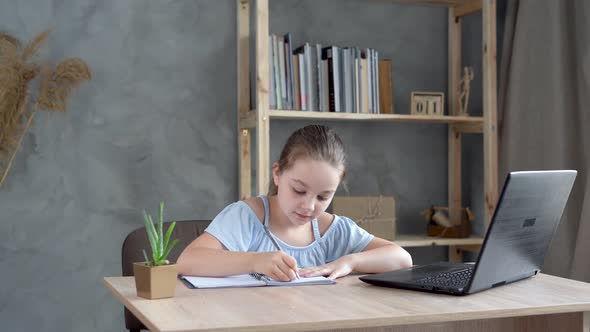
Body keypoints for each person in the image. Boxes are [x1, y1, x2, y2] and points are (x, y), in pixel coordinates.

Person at [178, 125, 412, 281]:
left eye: (323, 197)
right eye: (299, 190)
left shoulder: (333, 230)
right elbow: (188, 261)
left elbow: (402, 259)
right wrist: (255, 261)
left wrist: (351, 261)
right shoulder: (247, 216)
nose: (309, 206)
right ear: (277, 174)